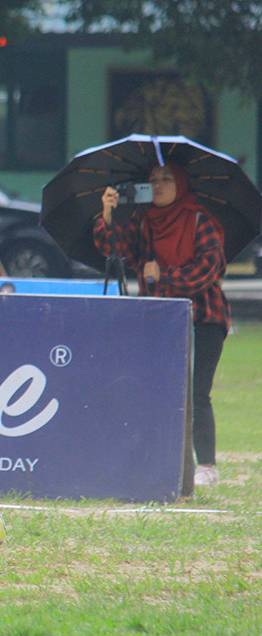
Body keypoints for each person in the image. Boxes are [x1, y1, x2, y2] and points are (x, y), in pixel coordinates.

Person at [95, 162, 228, 488]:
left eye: (167, 179)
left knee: (197, 393)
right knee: (156, 390)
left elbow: (207, 271)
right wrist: (108, 214)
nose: (159, 185)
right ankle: (153, 457)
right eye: (153, 180)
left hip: (204, 317)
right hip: (159, 320)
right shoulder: (144, 222)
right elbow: (117, 250)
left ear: (180, 184)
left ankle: (206, 466)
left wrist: (163, 275)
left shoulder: (200, 220)